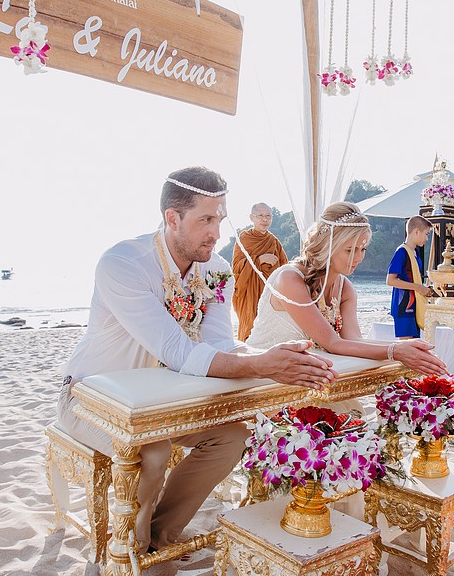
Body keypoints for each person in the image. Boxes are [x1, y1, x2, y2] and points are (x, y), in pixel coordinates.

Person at [56, 166, 336, 554]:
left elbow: (220, 343)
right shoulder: (123, 263)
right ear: (172, 218)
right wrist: (260, 365)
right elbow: (178, 350)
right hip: (91, 400)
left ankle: (159, 533)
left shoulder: (218, 269)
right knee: (151, 451)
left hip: (166, 401)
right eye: (205, 220)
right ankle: (128, 554)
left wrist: (275, 357)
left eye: (219, 219)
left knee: (233, 436)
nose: (216, 233)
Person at [246, 202, 447, 376]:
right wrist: (395, 350)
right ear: (328, 245)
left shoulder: (345, 289)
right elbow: (333, 343)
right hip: (266, 378)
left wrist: (405, 346)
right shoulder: (290, 279)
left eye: (363, 249)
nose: (358, 258)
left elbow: (353, 339)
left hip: (309, 375)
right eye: (350, 250)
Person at [231, 203, 289, 341]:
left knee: (271, 329)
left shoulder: (273, 241)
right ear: (252, 218)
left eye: (268, 216)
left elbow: (285, 268)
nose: (265, 220)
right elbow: (236, 268)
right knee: (251, 328)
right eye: (261, 216)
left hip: (269, 292)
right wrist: (259, 260)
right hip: (249, 292)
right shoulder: (244, 239)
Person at [386, 216, 435, 339]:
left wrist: (423, 288)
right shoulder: (401, 252)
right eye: (426, 234)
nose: (427, 238)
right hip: (404, 305)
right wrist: (418, 287)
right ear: (416, 232)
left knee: (415, 343)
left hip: (414, 305)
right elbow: (390, 280)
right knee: (406, 346)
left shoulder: (416, 253)